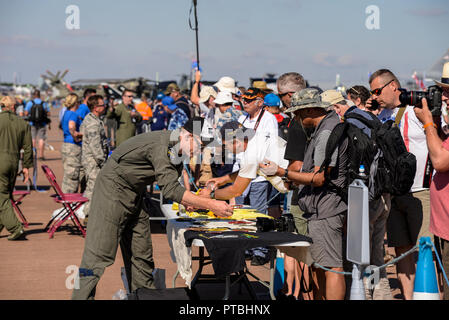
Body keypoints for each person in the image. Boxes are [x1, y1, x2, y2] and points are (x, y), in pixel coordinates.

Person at [72, 117, 234, 300]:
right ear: (189, 136)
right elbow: (171, 189)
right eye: (201, 144)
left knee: (141, 253)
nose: (202, 149)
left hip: (134, 193)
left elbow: (173, 183)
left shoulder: (177, 150)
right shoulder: (162, 147)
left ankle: (144, 295)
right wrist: (212, 204)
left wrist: (189, 201)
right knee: (96, 257)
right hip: (112, 191)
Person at [259, 88, 349, 300]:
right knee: (321, 263)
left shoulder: (326, 131)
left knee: (332, 266)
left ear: (310, 110)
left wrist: (282, 172)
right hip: (321, 206)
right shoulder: (324, 127)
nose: (297, 119)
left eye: (298, 114)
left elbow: (318, 178)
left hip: (326, 206)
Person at [322, 90, 393, 300]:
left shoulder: (350, 124)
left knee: (360, 253)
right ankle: (382, 295)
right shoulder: (370, 117)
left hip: (365, 196)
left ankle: (365, 295)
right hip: (383, 191)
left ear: (336, 108)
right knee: (376, 253)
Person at [369, 69, 428, 300]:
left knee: (425, 251)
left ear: (393, 86)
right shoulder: (382, 116)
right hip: (393, 194)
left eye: (377, 91)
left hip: (421, 191)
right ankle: (408, 296)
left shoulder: (415, 111)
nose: (375, 97)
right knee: (402, 252)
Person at [413, 63, 449, 300]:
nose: (444, 97)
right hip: (443, 225)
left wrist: (427, 123)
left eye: (447, 91)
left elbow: (440, 161)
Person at [276, 72, 310, 300]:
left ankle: (301, 293)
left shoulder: (298, 122)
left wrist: (284, 178)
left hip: (303, 192)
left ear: (290, 95)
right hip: (320, 193)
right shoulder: (321, 117)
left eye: (280, 96)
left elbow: (296, 165)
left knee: (303, 247)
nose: (280, 101)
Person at [0, 96, 33, 240]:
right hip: (13, 162)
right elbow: (28, 148)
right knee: (5, 195)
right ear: (13, 107)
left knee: (2, 197)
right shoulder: (23, 123)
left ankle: (15, 227)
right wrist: (26, 166)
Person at [79, 95, 109, 224]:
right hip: (93, 162)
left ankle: (90, 214)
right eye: (102, 105)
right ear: (96, 108)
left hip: (94, 161)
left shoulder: (94, 119)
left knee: (94, 187)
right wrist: (103, 161)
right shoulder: (92, 123)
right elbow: (95, 146)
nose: (105, 106)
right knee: (93, 187)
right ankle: (88, 216)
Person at [60, 93, 84, 193]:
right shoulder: (73, 114)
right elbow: (71, 126)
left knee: (68, 173)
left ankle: (67, 196)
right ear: (75, 103)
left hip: (66, 145)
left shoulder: (65, 113)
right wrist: (77, 135)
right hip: (73, 146)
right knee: (72, 175)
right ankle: (70, 199)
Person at [24, 89, 51, 160]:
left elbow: (26, 113)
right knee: (41, 139)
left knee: (33, 139)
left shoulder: (30, 103)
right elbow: (49, 113)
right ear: (39, 95)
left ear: (34, 95)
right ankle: (41, 155)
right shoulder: (44, 103)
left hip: (32, 123)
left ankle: (32, 155)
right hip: (42, 123)